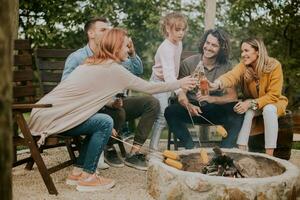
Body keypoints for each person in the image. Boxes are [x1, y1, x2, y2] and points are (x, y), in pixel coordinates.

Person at [28, 28, 196, 192]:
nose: (128, 49)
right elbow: (148, 87)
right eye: (126, 46)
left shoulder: (92, 63)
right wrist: (179, 83)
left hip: (44, 115)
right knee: (104, 121)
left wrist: (109, 102)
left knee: (100, 121)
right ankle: (88, 177)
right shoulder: (113, 69)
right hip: (53, 119)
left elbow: (86, 95)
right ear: (116, 48)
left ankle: (77, 171)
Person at [62, 17, 160, 170]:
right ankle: (107, 148)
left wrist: (132, 53)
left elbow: (137, 71)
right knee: (118, 112)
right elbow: (67, 89)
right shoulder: (77, 58)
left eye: (109, 29)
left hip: (117, 102)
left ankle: (134, 153)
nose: (108, 32)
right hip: (94, 107)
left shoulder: (115, 52)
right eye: (103, 30)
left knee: (152, 102)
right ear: (91, 33)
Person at [164, 28, 244, 149]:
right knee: (170, 111)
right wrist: (188, 106)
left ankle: (225, 150)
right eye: (207, 43)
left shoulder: (226, 66)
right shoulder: (188, 63)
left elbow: (232, 97)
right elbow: (181, 94)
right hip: (192, 109)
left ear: (221, 49)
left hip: (215, 109)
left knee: (237, 111)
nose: (208, 47)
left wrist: (212, 99)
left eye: (214, 45)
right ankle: (190, 146)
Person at [210, 37, 288, 156]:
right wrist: (216, 84)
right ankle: (242, 150)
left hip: (274, 102)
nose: (243, 54)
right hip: (254, 103)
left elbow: (273, 95)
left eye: (246, 51)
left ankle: (269, 155)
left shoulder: (274, 65)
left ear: (257, 51)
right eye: (242, 51)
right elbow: (232, 76)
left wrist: (250, 103)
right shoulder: (244, 66)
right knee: (248, 112)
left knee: (268, 110)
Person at [149, 12, 188, 151]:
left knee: (166, 114)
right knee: (161, 116)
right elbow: (168, 74)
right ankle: (153, 150)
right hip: (159, 83)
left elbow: (174, 70)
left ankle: (154, 148)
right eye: (177, 30)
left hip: (169, 83)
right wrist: (179, 91)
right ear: (167, 28)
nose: (181, 33)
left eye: (183, 30)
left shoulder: (179, 43)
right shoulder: (165, 48)